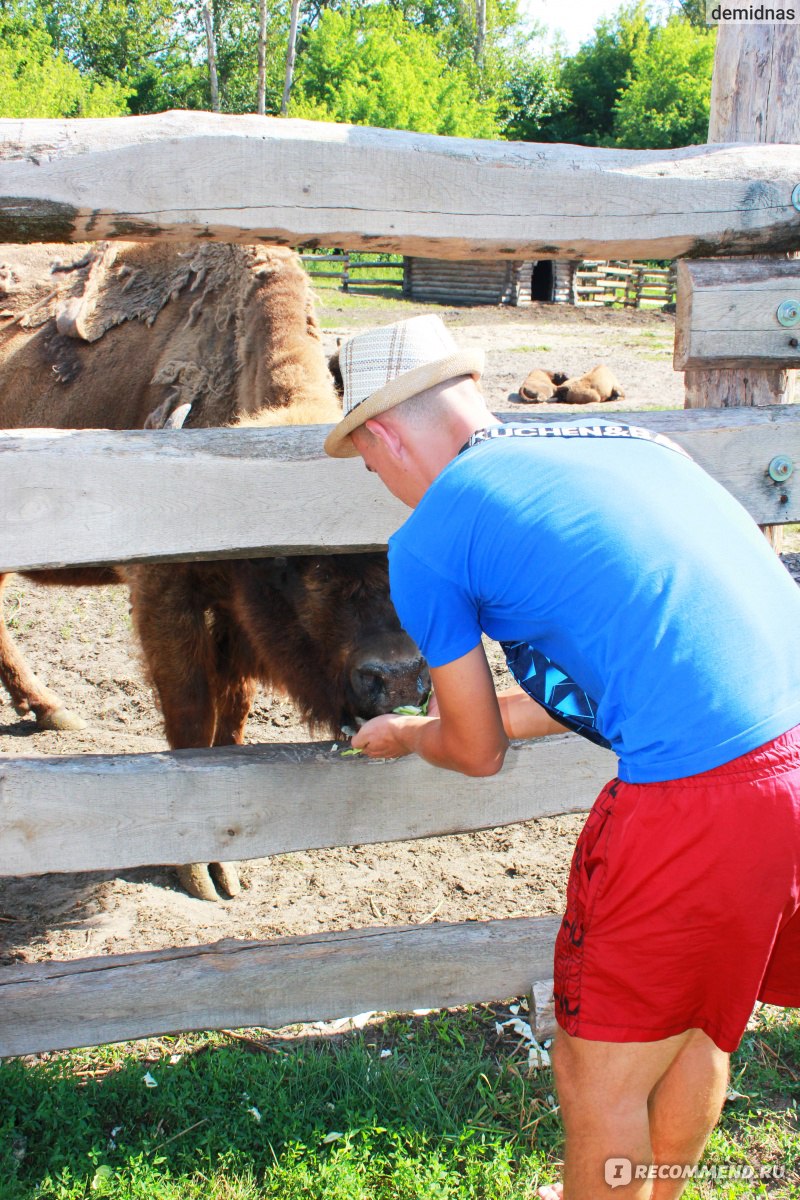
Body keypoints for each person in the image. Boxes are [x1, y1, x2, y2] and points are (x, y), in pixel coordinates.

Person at [323, 314, 800, 1199]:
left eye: (365, 459)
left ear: (385, 433)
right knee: (698, 1028)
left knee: (601, 1076)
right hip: (787, 754)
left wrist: (409, 734)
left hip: (702, 802)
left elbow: (475, 751)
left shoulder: (430, 542)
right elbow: (640, 667)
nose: (376, 478)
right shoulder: (630, 443)